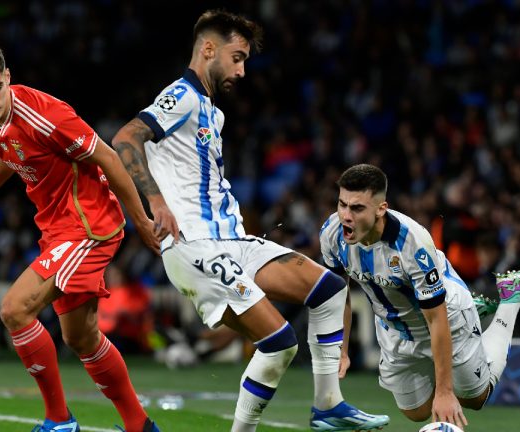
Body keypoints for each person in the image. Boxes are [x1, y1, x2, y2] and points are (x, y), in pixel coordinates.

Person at [112, 10, 390, 432]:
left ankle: (328, 406)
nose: (242, 70)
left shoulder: (212, 113)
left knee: (331, 292)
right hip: (195, 244)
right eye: (236, 57)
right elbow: (126, 138)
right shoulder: (181, 96)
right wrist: (155, 203)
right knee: (279, 344)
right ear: (208, 49)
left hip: (233, 242)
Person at [0, 42, 161, 432]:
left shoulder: (48, 116)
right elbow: (8, 150)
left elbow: (109, 158)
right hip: (57, 228)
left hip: (89, 225)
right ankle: (140, 426)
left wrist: (143, 221)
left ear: (8, 76)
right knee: (81, 338)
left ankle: (59, 422)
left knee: (14, 309)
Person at [320, 164, 520, 429]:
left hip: (443, 313)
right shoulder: (332, 234)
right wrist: (341, 349)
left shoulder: (412, 244)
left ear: (381, 209)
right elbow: (336, 293)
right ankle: (476, 316)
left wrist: (445, 392)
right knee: (417, 412)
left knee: (475, 398)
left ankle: (509, 300)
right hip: (395, 327)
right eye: (342, 204)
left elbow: (436, 318)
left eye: (357, 208)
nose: (346, 216)